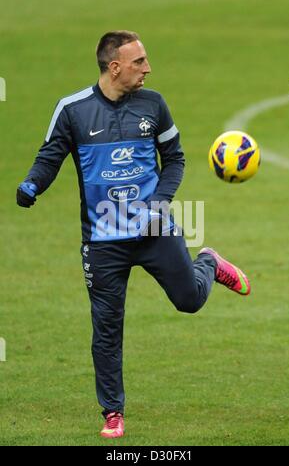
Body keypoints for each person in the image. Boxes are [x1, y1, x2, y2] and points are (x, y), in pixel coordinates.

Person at [16, 30, 251, 439]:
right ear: (115, 66)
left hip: (155, 227)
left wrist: (158, 201)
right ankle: (112, 411)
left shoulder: (154, 104)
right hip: (103, 240)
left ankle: (208, 262)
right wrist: (32, 184)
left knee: (189, 301)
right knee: (107, 325)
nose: (147, 68)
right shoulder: (72, 110)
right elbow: (50, 155)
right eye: (139, 61)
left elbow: (175, 160)